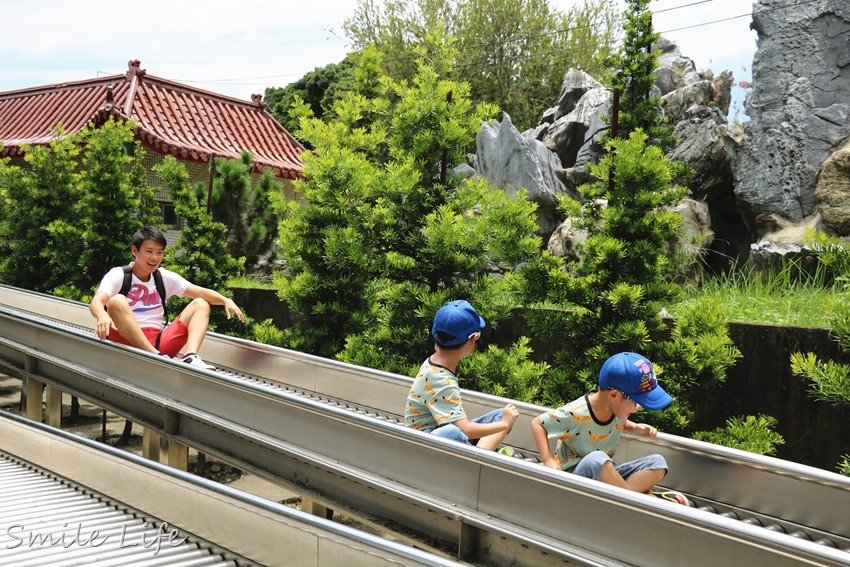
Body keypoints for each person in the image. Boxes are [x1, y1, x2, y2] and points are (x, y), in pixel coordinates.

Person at [531, 351, 691, 505]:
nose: (636, 409)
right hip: (573, 478)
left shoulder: (617, 412)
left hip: (605, 476)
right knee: (597, 459)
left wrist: (636, 428)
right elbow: (538, 423)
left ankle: (627, 497)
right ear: (614, 396)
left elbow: (618, 424)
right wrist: (548, 460)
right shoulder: (576, 412)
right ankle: (638, 502)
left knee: (657, 462)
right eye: (636, 403)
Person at [89, 226, 245, 369]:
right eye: (149, 251)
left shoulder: (162, 277)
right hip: (126, 339)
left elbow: (201, 292)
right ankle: (153, 356)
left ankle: (190, 356)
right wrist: (102, 315)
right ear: (134, 251)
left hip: (158, 343)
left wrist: (225, 300)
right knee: (117, 300)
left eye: (159, 252)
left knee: (201, 304)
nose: (155, 258)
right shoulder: (119, 275)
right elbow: (96, 302)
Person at [404, 299, 519, 452]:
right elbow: (465, 430)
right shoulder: (442, 380)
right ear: (472, 341)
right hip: (424, 444)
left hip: (445, 433)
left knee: (500, 415)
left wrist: (503, 420)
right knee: (454, 432)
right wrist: (505, 424)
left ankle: (478, 452)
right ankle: (478, 459)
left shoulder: (435, 361)